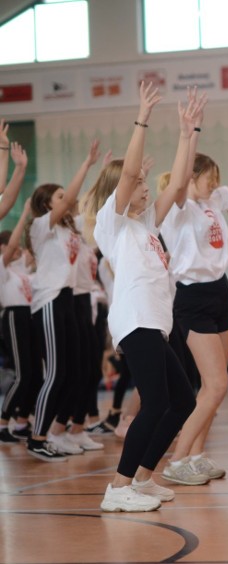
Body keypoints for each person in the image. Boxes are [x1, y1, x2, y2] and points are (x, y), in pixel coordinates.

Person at [93, 84, 203, 511]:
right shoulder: (113, 224)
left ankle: (141, 480)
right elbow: (126, 174)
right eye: (138, 184)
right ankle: (117, 489)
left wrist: (187, 131)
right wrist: (142, 118)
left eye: (143, 184)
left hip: (156, 323)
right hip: (136, 321)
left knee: (183, 401)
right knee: (156, 402)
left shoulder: (146, 225)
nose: (142, 187)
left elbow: (177, 183)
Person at [159, 106, 228, 484]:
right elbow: (179, 180)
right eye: (209, 178)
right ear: (192, 177)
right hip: (191, 298)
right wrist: (191, 131)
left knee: (216, 385)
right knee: (216, 386)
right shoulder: (178, 207)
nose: (215, 184)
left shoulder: (212, 203)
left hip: (219, 292)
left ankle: (196, 455)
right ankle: (177, 461)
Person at [25, 138, 100, 461]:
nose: (66, 200)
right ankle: (37, 437)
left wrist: (105, 174)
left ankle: (54, 432)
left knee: (73, 371)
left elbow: (89, 204)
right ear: (46, 205)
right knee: (55, 372)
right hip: (50, 301)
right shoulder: (42, 227)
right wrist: (85, 164)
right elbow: (71, 197)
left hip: (67, 300)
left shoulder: (69, 230)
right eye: (58, 197)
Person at [0, 141, 33, 443]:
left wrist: (15, 164)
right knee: (23, 372)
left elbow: (2, 198)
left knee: (32, 371)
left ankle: (19, 420)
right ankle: (5, 420)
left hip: (27, 315)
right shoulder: (4, 262)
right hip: (11, 315)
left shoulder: (19, 268)